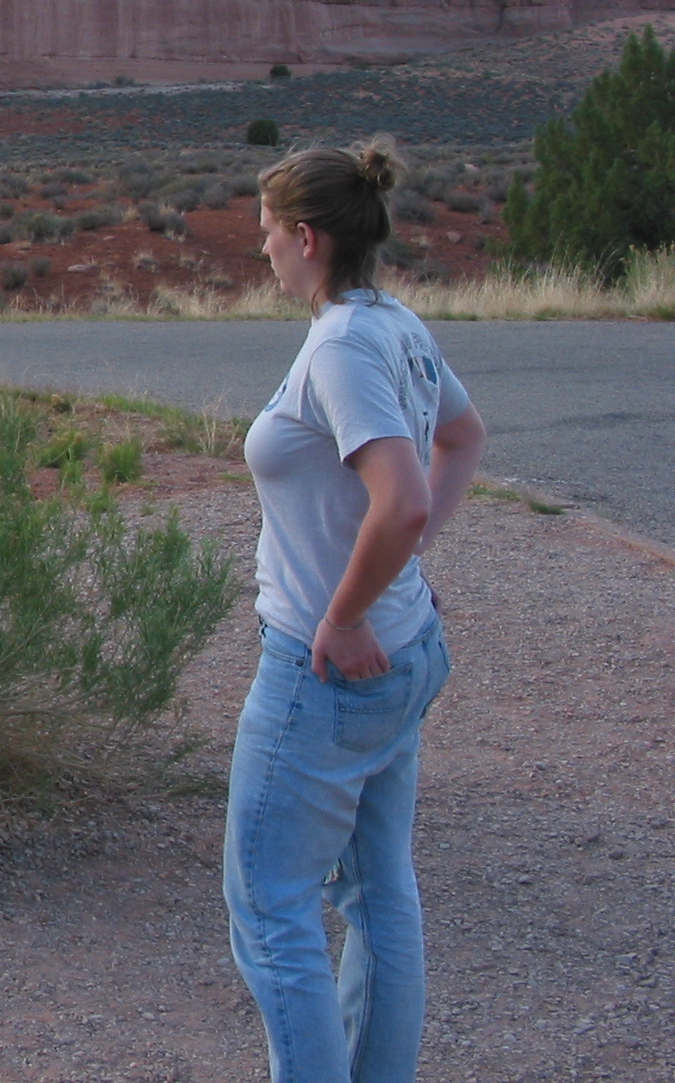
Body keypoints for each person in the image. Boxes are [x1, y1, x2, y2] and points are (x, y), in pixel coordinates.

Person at [225, 137, 489, 1083]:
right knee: (380, 896)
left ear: (307, 237)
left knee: (270, 908)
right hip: (404, 655)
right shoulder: (396, 323)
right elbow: (460, 437)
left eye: (266, 232)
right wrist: (400, 574)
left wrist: (344, 613)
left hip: (325, 671)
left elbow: (405, 496)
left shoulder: (340, 346)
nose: (261, 250)